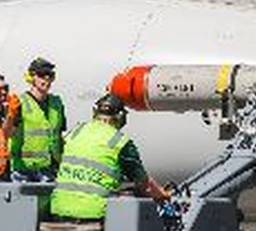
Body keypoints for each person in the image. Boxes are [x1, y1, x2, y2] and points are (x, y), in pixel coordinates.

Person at [49, 93, 171, 222]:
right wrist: (163, 195)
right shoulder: (120, 142)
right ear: (120, 117)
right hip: (94, 215)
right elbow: (145, 185)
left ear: (94, 112)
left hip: (59, 211)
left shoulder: (75, 132)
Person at [8, 57, 66, 182]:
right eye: (41, 75)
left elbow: (59, 136)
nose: (47, 78)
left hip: (49, 169)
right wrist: (10, 116)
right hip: (24, 170)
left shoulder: (57, 103)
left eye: (50, 75)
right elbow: (7, 134)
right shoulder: (19, 103)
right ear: (31, 77)